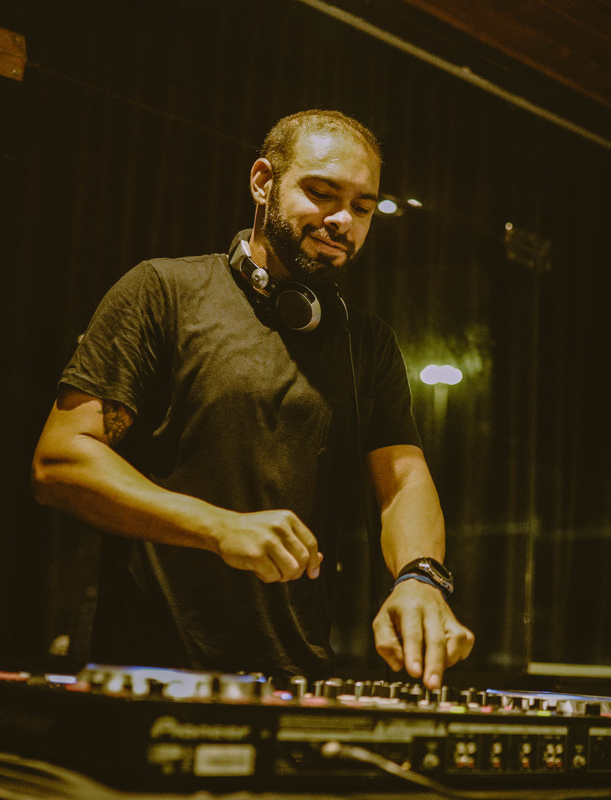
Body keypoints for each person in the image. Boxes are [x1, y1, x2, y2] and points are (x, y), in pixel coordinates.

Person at [31, 109, 474, 688]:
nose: (343, 219)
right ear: (263, 182)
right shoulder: (162, 291)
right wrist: (218, 528)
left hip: (297, 683)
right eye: (322, 193)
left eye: (363, 207)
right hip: (148, 676)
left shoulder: (366, 343)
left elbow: (403, 481)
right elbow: (60, 461)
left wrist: (420, 578)